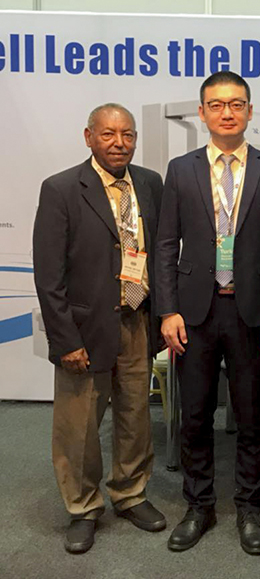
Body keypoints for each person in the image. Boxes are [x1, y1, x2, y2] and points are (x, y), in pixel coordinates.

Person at [155, 71, 260, 554]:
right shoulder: (181, 169)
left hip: (251, 310)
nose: (226, 113)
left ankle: (250, 507)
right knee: (194, 415)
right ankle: (199, 505)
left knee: (252, 415)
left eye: (236, 104)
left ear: (249, 111)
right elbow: (165, 245)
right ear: (202, 112)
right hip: (194, 312)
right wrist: (167, 310)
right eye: (216, 105)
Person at [33, 103, 166, 554]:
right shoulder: (61, 189)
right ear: (88, 137)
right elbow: (49, 275)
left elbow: (158, 254)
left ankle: (130, 493)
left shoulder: (149, 184)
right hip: (85, 329)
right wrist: (65, 340)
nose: (119, 143)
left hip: (137, 320)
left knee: (136, 416)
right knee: (80, 426)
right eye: (108, 134)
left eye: (127, 135)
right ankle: (83, 507)